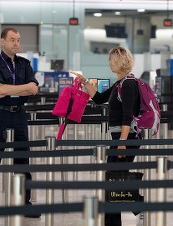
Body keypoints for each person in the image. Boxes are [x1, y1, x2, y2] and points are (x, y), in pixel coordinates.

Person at [71, 46, 142, 226]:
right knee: (115, 180)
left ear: (116, 61)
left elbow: (127, 116)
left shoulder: (128, 84)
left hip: (125, 138)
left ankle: (135, 205)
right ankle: (136, 204)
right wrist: (85, 81)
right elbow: (100, 98)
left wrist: (122, 144)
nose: (109, 64)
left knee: (112, 182)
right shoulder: (119, 83)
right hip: (120, 138)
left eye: (111, 60)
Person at [0, 27, 40, 220]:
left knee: (22, 160)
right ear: (2, 41)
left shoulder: (24, 63)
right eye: (12, 40)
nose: (16, 43)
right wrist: (23, 88)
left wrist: (9, 90)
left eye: (18, 40)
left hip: (19, 115)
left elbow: (33, 90)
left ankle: (24, 203)